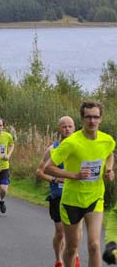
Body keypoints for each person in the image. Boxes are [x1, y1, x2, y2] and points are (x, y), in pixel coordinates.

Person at [45, 101, 115, 267]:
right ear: (82, 119)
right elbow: (48, 167)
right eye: (88, 117)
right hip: (71, 201)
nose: (92, 121)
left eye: (95, 117)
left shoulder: (107, 140)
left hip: (95, 198)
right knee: (71, 247)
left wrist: (109, 170)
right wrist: (74, 175)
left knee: (94, 245)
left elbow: (110, 155)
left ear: (101, 119)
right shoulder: (71, 143)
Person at [37, 116, 81, 267]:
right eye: (64, 126)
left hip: (76, 196)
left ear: (75, 128)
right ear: (59, 129)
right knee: (61, 232)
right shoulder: (52, 149)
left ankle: (73, 255)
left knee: (75, 232)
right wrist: (55, 180)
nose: (67, 129)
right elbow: (40, 171)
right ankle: (59, 260)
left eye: (70, 126)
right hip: (58, 195)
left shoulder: (80, 148)